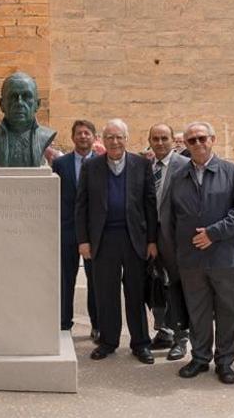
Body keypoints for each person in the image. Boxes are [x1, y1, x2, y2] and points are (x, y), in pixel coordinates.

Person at [167, 122, 234, 385]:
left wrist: (213, 233)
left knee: (228, 311)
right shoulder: (178, 176)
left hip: (226, 258)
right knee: (198, 311)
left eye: (202, 138)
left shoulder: (231, 172)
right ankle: (200, 358)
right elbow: (171, 217)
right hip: (191, 260)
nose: (197, 144)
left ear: (212, 139)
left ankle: (225, 362)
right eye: (191, 140)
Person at [76, 119, 158, 364]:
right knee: (105, 293)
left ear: (126, 139)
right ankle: (108, 341)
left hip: (134, 239)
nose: (114, 141)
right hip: (103, 240)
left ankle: (141, 343)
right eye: (110, 137)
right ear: (103, 139)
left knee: (136, 293)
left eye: (119, 137)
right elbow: (82, 207)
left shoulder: (141, 165)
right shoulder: (91, 167)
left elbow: (150, 205)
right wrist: (83, 241)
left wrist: (152, 240)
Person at [52, 120, 99, 340]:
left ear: (94, 137)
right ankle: (63, 322)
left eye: (87, 133)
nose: (83, 137)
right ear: (72, 137)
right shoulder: (61, 164)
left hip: (94, 232)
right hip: (67, 230)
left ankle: (97, 324)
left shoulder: (102, 163)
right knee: (65, 278)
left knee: (96, 280)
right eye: (79, 133)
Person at [147, 123, 191, 361]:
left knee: (176, 287)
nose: (160, 142)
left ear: (174, 141)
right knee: (153, 288)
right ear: (150, 141)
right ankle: (162, 330)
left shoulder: (184, 166)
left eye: (165, 138)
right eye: (156, 138)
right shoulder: (146, 167)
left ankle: (181, 337)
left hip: (175, 239)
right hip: (150, 239)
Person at [0, 72, 56, 167]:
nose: (19, 103)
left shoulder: (45, 136)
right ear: (1, 104)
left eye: (26, 96)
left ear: (37, 104)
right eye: (13, 97)